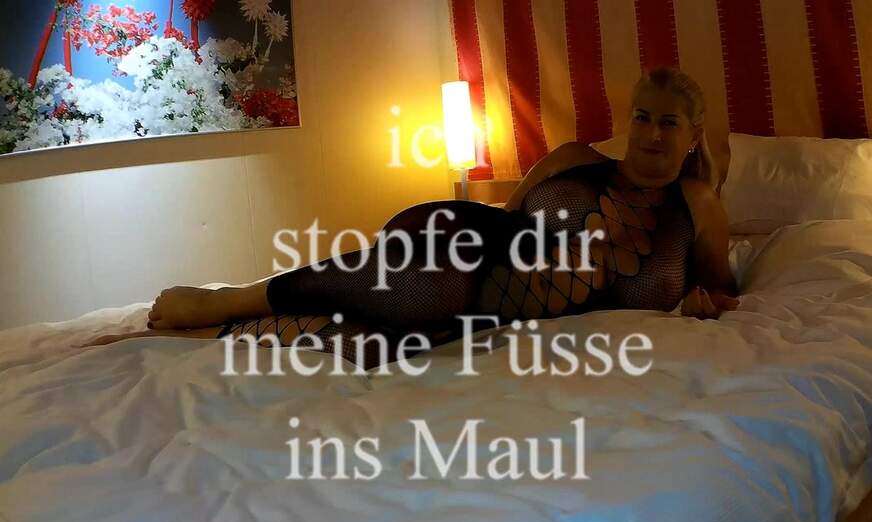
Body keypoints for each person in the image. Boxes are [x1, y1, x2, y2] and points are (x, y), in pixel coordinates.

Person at [86, 67, 740, 369]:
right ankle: (229, 298)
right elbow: (503, 217)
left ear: (694, 135)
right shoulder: (574, 159)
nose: (651, 133)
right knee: (429, 291)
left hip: (482, 303)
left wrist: (704, 297)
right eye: (642, 117)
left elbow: (722, 289)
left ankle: (222, 331)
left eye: (669, 122)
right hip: (459, 242)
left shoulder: (697, 206)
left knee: (386, 342)